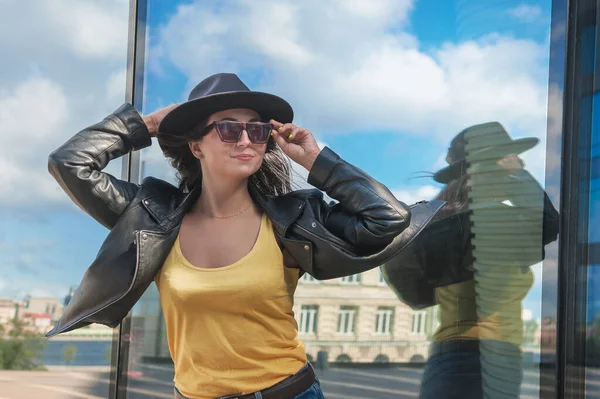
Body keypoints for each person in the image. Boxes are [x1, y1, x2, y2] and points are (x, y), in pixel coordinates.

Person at [46, 73, 443, 399]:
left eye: (256, 130)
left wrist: (315, 159)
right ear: (196, 145)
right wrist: (147, 125)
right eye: (228, 128)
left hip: (289, 392)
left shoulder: (291, 217)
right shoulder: (154, 218)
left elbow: (388, 218)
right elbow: (69, 163)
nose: (246, 140)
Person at [381, 122, 559, 399]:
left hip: (452, 355)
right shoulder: (493, 219)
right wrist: (519, 176)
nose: (518, 164)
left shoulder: (443, 220)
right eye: (510, 161)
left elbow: (409, 287)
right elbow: (548, 224)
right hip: (483, 358)